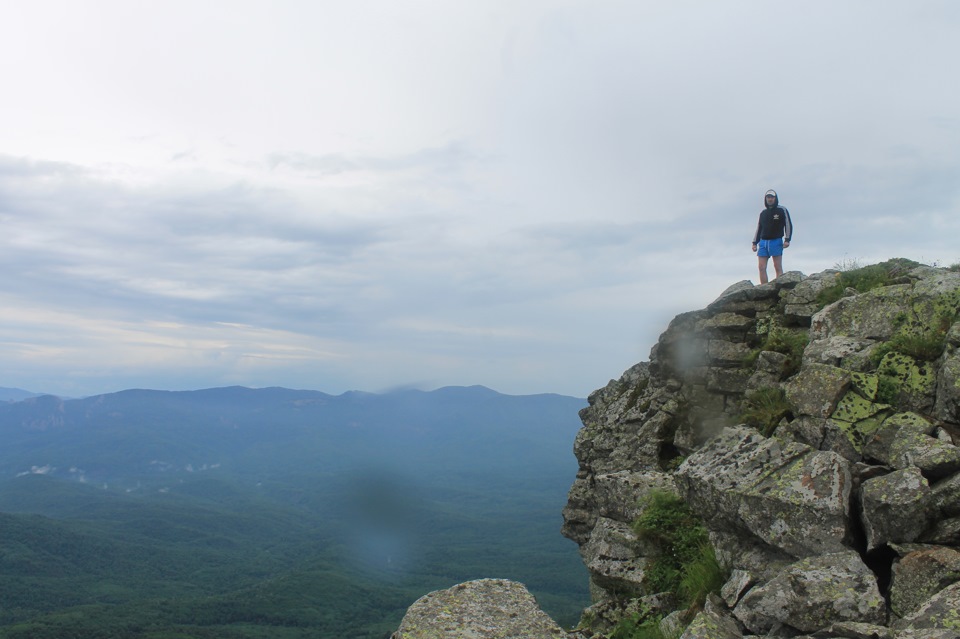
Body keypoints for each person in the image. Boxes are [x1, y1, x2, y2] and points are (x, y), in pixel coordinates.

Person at [751, 189, 793, 284]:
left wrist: (787, 239)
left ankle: (779, 286)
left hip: (776, 241)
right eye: (768, 197)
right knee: (761, 267)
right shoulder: (763, 213)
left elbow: (788, 225)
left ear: (775, 198)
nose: (770, 199)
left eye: (772, 197)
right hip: (763, 242)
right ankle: (764, 288)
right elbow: (759, 228)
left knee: (777, 266)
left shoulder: (782, 210)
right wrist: (754, 243)